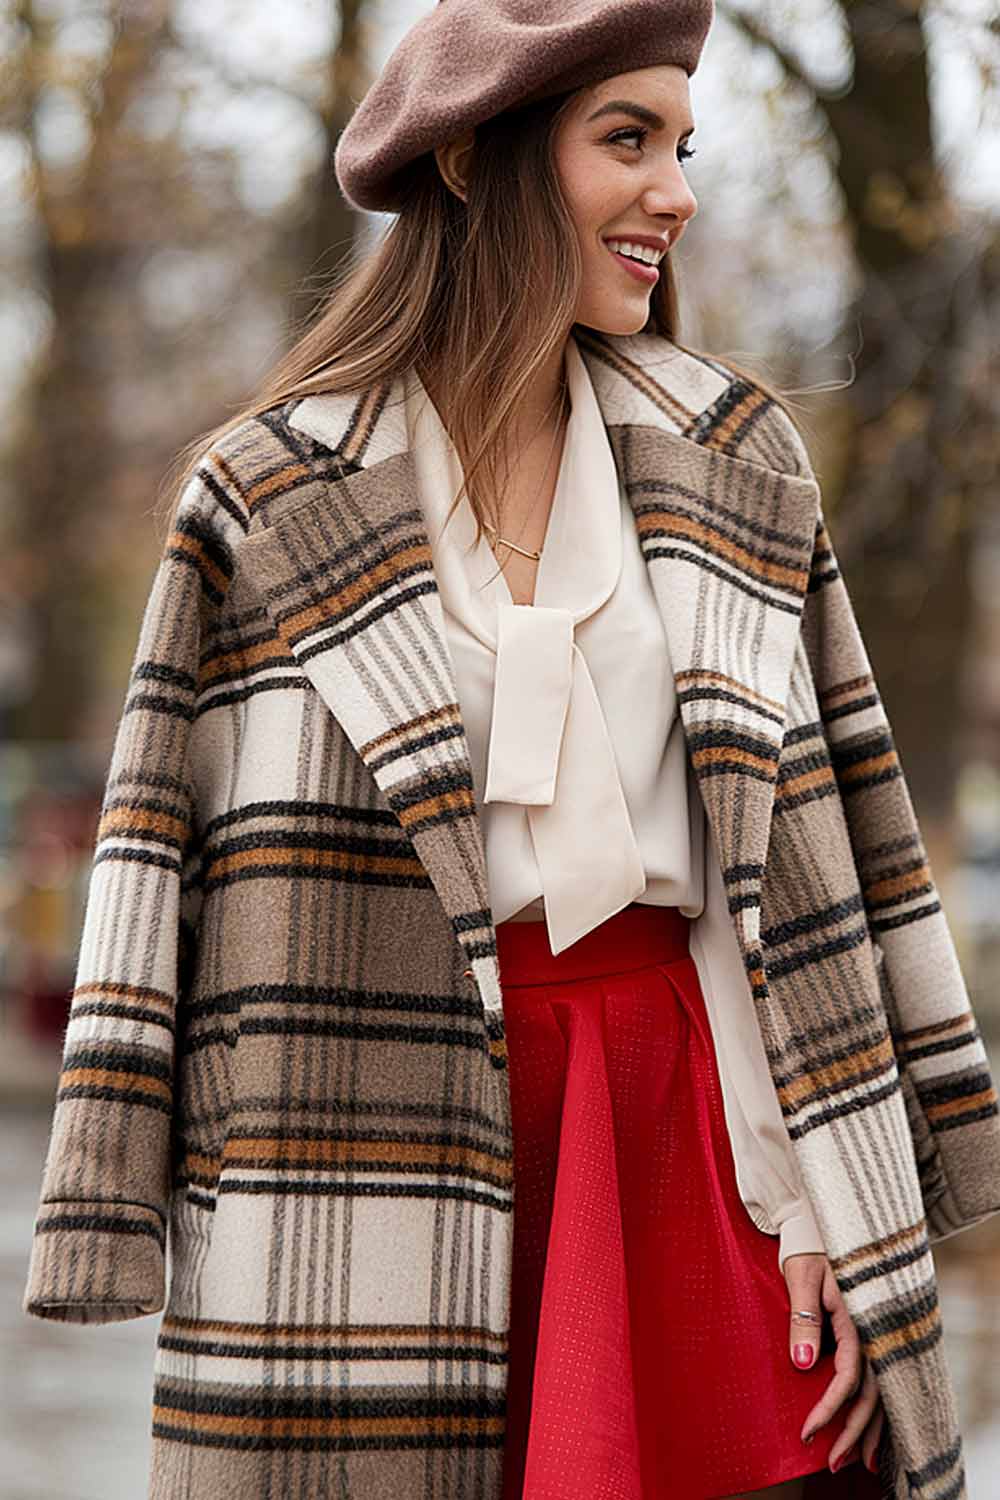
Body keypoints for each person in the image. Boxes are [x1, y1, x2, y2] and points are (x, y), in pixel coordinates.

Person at [22, 3, 1000, 1499]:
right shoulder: (269, 494)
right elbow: (152, 866)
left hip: (695, 1124)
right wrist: (108, 1203)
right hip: (354, 1137)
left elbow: (837, 851)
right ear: (475, 162)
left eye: (685, 147)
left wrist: (836, 1207)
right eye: (628, 140)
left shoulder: (736, 457)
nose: (676, 191)